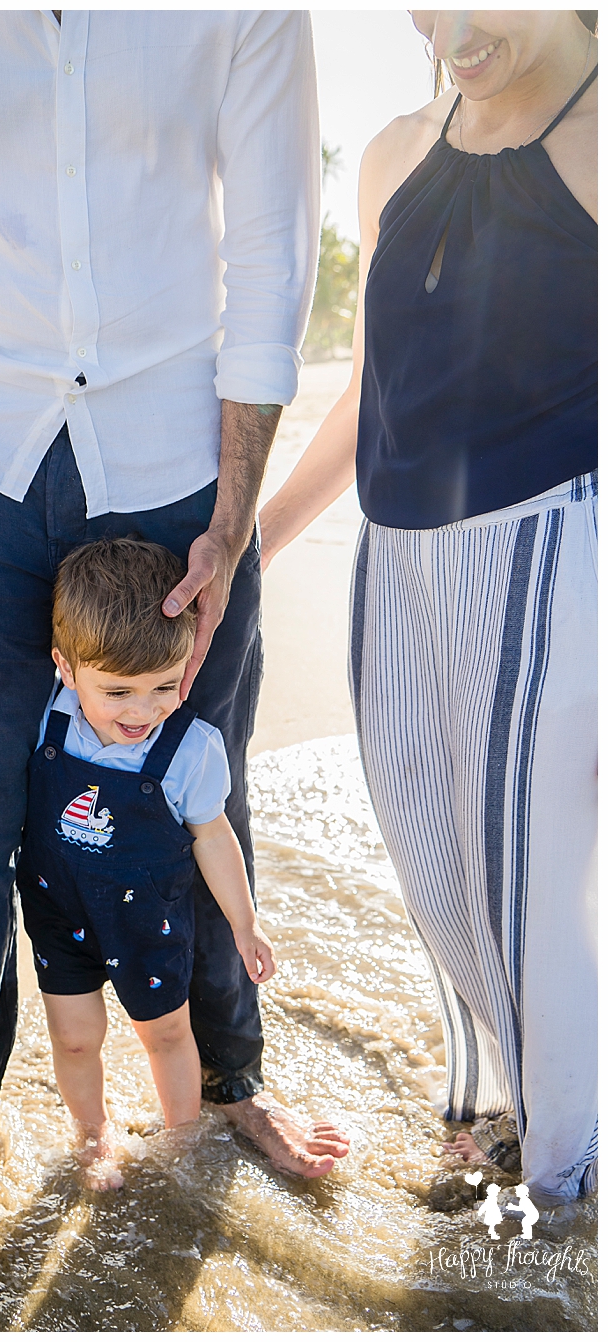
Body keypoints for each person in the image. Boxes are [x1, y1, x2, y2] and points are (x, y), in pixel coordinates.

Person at [0, 11, 349, 1272]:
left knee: (196, 783)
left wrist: (232, 511)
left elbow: (273, 239)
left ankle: (229, 1082)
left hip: (179, 459)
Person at [259, 10, 596, 1208]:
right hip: (389, 560)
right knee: (431, 858)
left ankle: (561, 1198)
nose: (451, 25)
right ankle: (506, 1110)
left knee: (522, 885)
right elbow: (369, 385)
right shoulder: (395, 150)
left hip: (541, 550)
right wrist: (249, 548)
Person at [0, 538, 289, 1197]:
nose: (141, 712)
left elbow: (213, 835)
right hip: (60, 913)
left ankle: (181, 1144)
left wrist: (244, 923)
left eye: (163, 687)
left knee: (167, 1034)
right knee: (75, 1036)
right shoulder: (45, 718)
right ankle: (92, 1134)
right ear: (65, 666)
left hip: (148, 921)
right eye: (116, 691)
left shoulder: (191, 749)